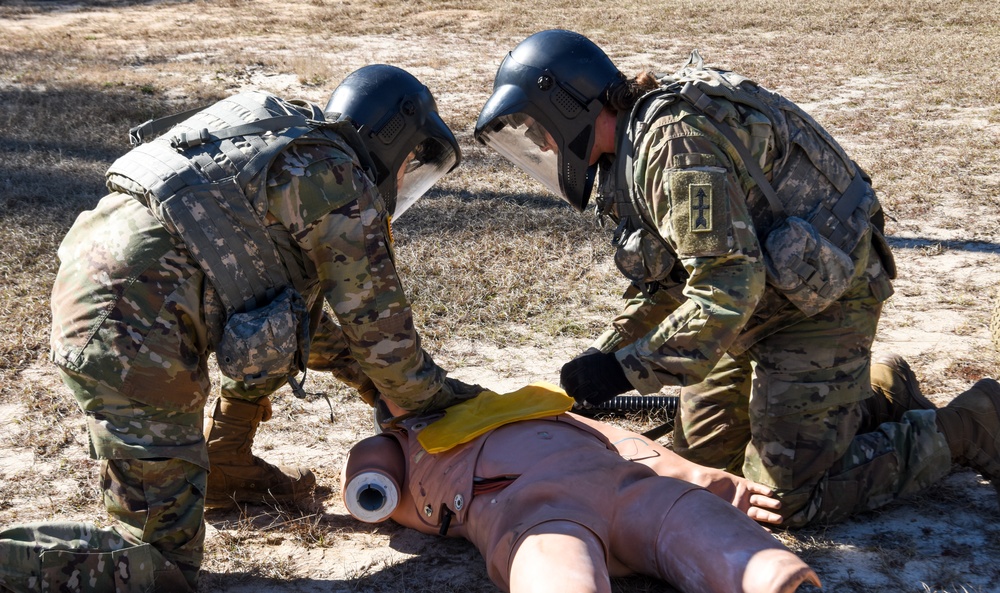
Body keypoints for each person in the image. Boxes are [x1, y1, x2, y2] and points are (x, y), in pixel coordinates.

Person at [473, 29, 1000, 528]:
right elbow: (669, 281)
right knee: (704, 467)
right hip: (758, 304)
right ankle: (878, 391)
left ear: (571, 107)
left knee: (781, 499)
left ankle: (972, 422)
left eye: (540, 132)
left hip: (823, 302)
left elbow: (726, 287)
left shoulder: (674, 147)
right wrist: (602, 355)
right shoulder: (629, 152)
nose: (542, 147)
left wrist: (623, 371)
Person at [0, 64, 481, 593]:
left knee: (279, 314)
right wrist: (445, 400)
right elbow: (384, 339)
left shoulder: (284, 144)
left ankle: (226, 464)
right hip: (135, 336)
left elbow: (304, 328)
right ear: (394, 136)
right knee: (159, 573)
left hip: (107, 293)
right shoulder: (338, 180)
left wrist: (372, 386)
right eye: (413, 161)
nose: (405, 177)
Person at [342, 383, 821, 593]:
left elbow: (625, 441)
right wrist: (374, 481)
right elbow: (371, 470)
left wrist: (698, 477)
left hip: (623, 484)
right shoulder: (401, 441)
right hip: (528, 501)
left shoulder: (528, 406)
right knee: (554, 554)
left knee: (686, 512)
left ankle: (776, 581)